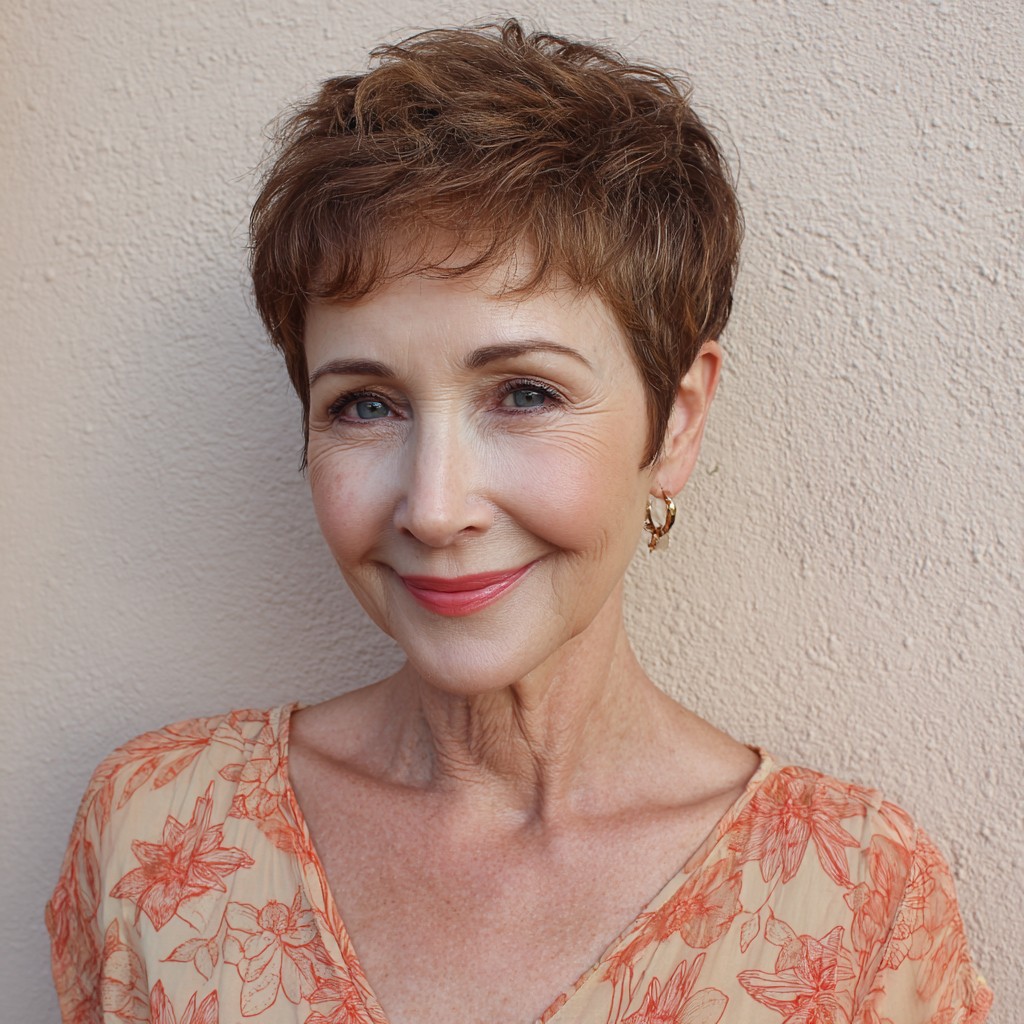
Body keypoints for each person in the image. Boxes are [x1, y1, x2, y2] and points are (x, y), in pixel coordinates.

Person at [46, 19, 992, 1024]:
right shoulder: (157, 836)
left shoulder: (855, 905)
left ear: (676, 423)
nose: (435, 508)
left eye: (525, 393)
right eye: (365, 405)